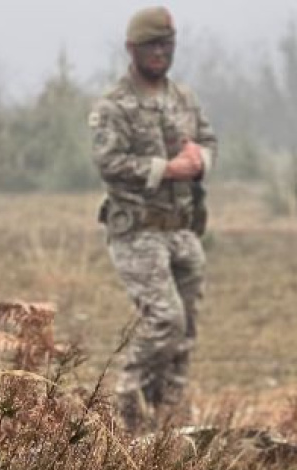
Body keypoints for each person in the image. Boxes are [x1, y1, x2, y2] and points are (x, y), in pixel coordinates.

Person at [88, 6, 218, 431]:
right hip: (137, 230)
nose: (160, 53)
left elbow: (207, 139)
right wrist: (167, 168)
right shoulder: (114, 105)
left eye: (166, 45)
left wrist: (201, 159)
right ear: (132, 49)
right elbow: (108, 162)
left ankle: (172, 424)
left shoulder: (183, 98)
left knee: (185, 335)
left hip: (183, 229)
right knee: (165, 320)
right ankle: (126, 413)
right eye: (151, 46)